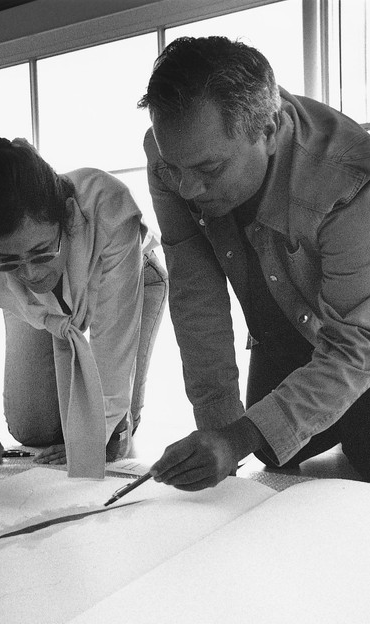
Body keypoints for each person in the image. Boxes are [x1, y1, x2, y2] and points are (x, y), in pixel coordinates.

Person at [138, 35, 370, 491]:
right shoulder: (173, 156)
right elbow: (195, 299)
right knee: (267, 448)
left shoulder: (347, 178)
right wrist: (219, 435)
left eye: (209, 171)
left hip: (359, 330)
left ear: (267, 132)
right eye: (175, 170)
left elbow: (355, 344)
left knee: (363, 451)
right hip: (285, 323)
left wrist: (237, 436)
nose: (187, 190)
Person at [0, 135, 167, 482]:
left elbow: (111, 352)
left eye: (42, 251)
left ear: (67, 218)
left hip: (134, 274)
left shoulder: (107, 208)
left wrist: (96, 433)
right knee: (30, 427)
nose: (31, 273)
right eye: (9, 260)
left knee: (110, 441)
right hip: (39, 309)